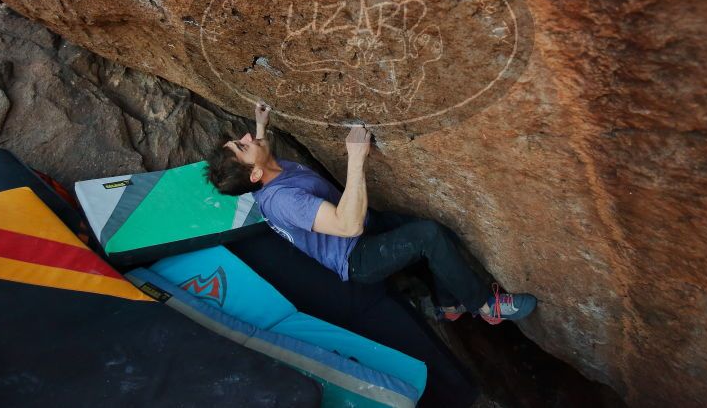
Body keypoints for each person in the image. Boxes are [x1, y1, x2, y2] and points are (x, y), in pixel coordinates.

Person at [205, 100, 537, 325]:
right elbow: (347, 226)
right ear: (254, 174)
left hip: (366, 224)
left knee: (440, 233)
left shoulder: (267, 172)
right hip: (357, 255)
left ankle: (450, 305)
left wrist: (261, 126)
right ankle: (485, 306)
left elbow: (259, 156)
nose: (247, 137)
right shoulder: (283, 201)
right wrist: (355, 157)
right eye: (243, 145)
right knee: (429, 236)